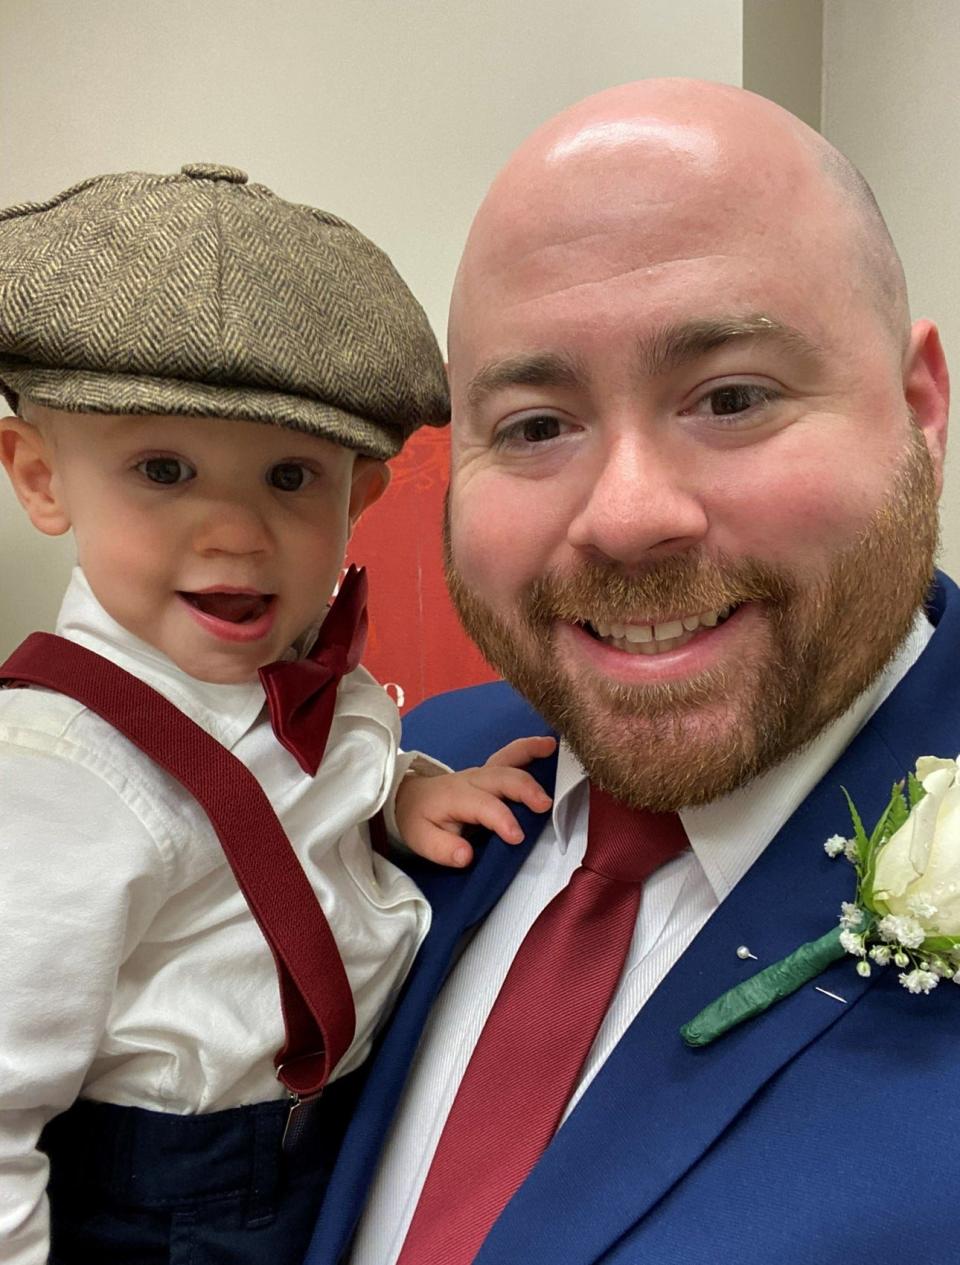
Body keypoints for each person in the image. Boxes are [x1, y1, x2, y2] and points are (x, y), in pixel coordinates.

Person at [304, 79, 956, 1265]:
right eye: (537, 425)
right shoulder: (414, 778)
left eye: (734, 396)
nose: (626, 515)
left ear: (919, 412)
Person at [0, 162, 554, 1265]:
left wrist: (400, 793)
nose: (237, 532)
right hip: (173, 1202)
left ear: (361, 493)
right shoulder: (56, 782)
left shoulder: (289, 666)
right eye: (164, 467)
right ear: (40, 476)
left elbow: (281, 800)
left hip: (331, 1140)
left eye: (292, 478)